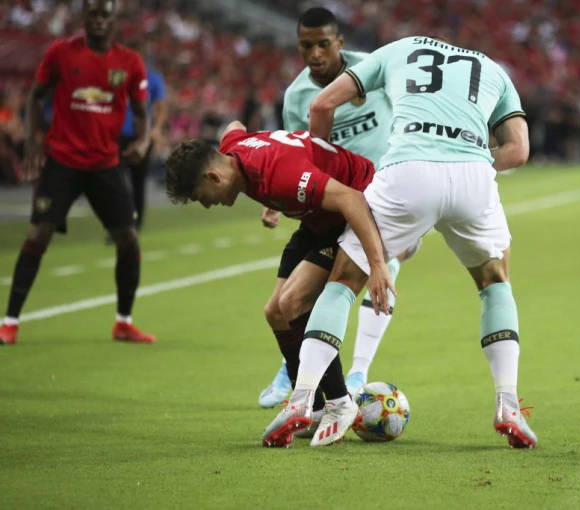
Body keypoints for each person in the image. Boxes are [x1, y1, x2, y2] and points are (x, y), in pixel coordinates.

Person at [265, 36, 538, 448]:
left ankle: (303, 399)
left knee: (342, 282)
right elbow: (518, 150)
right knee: (495, 283)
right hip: (473, 176)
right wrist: (471, 159)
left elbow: (321, 105)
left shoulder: (399, 49)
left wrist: (323, 171)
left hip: (406, 172)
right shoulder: (492, 67)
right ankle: (509, 406)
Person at [163, 122, 394, 447]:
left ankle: (340, 402)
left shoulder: (282, 177)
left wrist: (378, 264)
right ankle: (313, 411)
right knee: (276, 312)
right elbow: (234, 127)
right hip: (316, 218)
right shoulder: (232, 149)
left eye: (202, 197)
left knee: (293, 301)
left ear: (214, 177)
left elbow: (351, 199)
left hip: (355, 209)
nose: (207, 205)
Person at [257, 7, 419, 409]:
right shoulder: (297, 96)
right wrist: (274, 202)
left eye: (323, 44)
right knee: (313, 289)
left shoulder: (372, 69)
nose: (315, 53)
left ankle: (358, 371)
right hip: (335, 203)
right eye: (306, 45)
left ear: (339, 43)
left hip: (385, 195)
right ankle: (295, 365)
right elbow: (296, 152)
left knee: (382, 263)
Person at [0, 0, 155, 345]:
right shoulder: (60, 52)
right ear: (84, 17)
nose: (98, 20)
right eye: (93, 14)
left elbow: (142, 111)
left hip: (105, 164)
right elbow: (35, 96)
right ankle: (9, 322)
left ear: (114, 19)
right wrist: (32, 141)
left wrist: (143, 141)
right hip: (62, 160)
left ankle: (124, 322)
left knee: (128, 238)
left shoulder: (130, 62)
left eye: (105, 14)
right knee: (38, 233)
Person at [118, 39, 167, 233]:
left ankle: (135, 225)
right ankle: (120, 223)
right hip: (118, 136)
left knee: (137, 182)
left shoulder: (153, 78)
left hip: (142, 137)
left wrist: (157, 129)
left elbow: (160, 107)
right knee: (116, 182)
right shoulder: (118, 77)